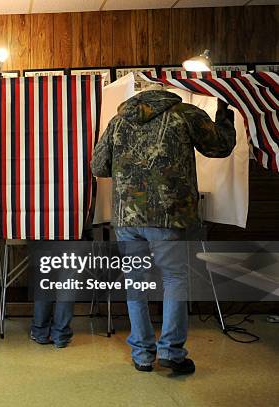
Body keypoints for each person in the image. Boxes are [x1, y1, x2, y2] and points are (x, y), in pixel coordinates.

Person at [91, 89, 236, 374]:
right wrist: (225, 116)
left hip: (127, 218)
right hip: (168, 216)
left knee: (136, 282)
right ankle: (171, 352)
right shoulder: (184, 114)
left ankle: (143, 355)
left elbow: (98, 165)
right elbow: (220, 147)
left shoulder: (119, 121)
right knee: (174, 278)